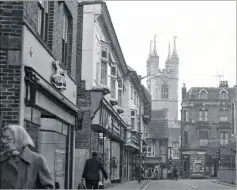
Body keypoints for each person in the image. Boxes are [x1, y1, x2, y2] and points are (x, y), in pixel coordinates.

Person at [0, 124, 54, 189]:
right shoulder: (2, 158)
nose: (4, 141)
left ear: (19, 139)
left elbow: (48, 187)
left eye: (8, 138)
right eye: (3, 138)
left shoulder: (37, 160)